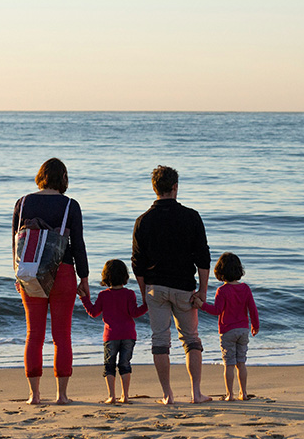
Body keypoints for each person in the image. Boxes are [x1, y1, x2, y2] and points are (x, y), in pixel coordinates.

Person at [131, 165, 212, 404]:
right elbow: (203, 257)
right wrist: (203, 290)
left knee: (160, 341)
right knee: (191, 339)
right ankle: (196, 393)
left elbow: (137, 263)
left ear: (154, 188)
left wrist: (144, 291)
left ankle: (168, 395)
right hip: (184, 288)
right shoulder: (191, 216)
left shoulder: (143, 220)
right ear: (175, 187)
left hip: (155, 287)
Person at [12, 158, 90, 405]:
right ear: (63, 178)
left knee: (33, 334)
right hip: (63, 272)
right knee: (62, 335)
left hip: (30, 270)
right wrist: (85, 277)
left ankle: (34, 395)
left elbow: (15, 242)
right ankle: (62, 395)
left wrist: (18, 273)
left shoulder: (23, 203)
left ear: (40, 175)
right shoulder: (70, 206)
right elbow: (78, 244)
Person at [192, 252, 259, 401]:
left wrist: (201, 305)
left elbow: (217, 311)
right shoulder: (246, 288)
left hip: (227, 331)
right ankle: (244, 393)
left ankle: (230, 394)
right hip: (243, 330)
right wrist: (255, 325)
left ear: (220, 271)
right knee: (241, 362)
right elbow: (252, 309)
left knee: (229, 364)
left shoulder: (222, 291)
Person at [80, 259, 148, 404]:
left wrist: (84, 298)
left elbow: (93, 313)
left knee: (109, 365)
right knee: (125, 364)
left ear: (105, 276)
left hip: (110, 336)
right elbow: (135, 313)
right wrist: (147, 304)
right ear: (125, 276)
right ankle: (125, 396)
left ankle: (111, 396)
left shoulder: (103, 295)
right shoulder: (129, 294)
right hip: (128, 335)